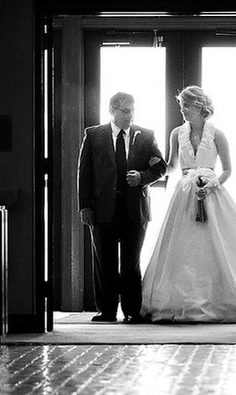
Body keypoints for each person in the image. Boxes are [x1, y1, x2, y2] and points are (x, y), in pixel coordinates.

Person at [141, 86, 236, 322]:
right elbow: (173, 166)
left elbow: (229, 169)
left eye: (187, 105)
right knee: (182, 247)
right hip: (184, 195)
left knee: (220, 247)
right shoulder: (176, 133)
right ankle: (179, 301)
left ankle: (224, 300)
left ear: (200, 106)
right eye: (181, 105)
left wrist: (213, 184)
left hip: (212, 195)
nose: (182, 110)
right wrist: (157, 164)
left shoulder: (217, 134)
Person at [78, 92, 167, 323]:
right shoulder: (94, 135)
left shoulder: (146, 135)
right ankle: (106, 311)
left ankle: (132, 311)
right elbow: (84, 173)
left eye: (133, 110)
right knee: (105, 261)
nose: (131, 115)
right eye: (126, 111)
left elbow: (161, 168)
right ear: (112, 111)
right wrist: (85, 206)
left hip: (134, 209)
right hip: (102, 208)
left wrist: (142, 177)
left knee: (131, 262)